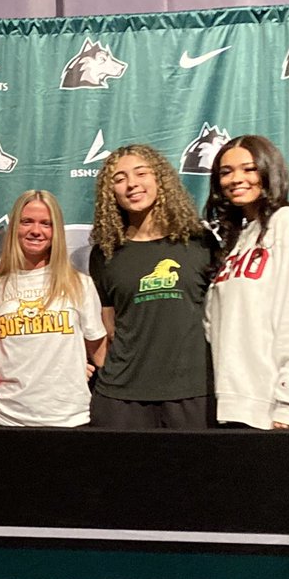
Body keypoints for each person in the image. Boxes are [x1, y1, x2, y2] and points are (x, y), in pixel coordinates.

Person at [203, 135, 289, 428]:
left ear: (268, 170)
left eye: (248, 169)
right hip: (237, 407)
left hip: (279, 411)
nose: (236, 179)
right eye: (226, 172)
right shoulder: (238, 240)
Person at [88, 144, 213, 428]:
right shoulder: (106, 253)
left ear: (160, 179)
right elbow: (109, 326)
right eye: (119, 179)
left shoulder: (199, 243)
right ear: (111, 194)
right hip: (122, 396)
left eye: (141, 173)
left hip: (192, 392)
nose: (132, 184)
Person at [0, 190, 106, 427]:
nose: (36, 231)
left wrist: (78, 366)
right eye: (27, 221)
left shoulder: (79, 283)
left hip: (67, 417)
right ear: (14, 228)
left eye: (46, 224)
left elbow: (98, 349)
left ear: (56, 232)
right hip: (7, 416)